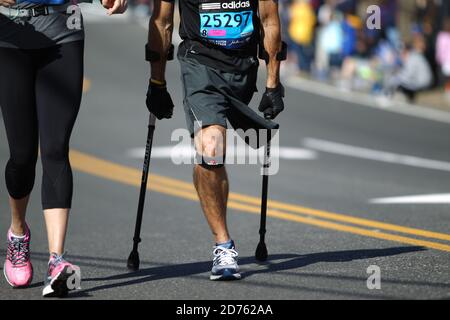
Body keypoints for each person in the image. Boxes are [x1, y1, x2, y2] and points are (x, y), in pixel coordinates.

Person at [146, 0, 285, 280]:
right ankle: (223, 244)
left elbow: (269, 20)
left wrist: (272, 84)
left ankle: (206, 174)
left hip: (242, 68)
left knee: (211, 155)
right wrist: (157, 82)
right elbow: (162, 22)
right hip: (200, 64)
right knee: (211, 149)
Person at [0, 0, 127, 297]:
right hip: (9, 34)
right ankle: (18, 233)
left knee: (55, 148)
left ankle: (57, 261)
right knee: (22, 155)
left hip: (63, 29)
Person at [288, 0, 316, 73]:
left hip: (296, 33)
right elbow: (313, 21)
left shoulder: (296, 7)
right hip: (305, 34)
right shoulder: (308, 8)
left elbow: (290, 17)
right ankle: (304, 67)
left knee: (299, 53)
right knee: (304, 53)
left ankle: (302, 68)